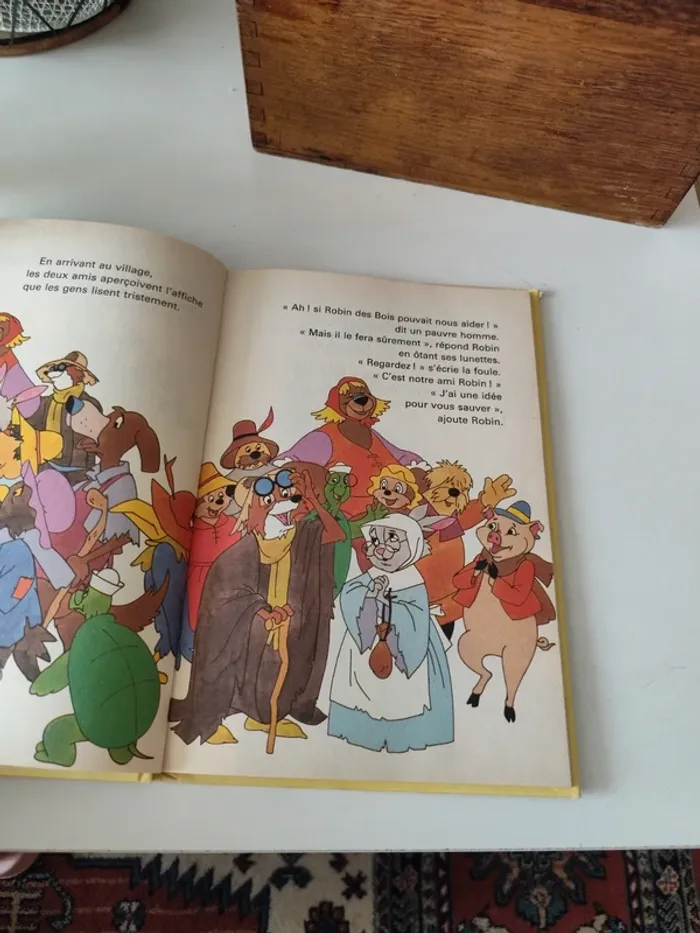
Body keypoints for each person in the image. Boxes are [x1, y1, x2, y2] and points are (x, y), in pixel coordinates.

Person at [328, 514, 454, 752]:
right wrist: (369, 597)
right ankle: (364, 734)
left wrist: (389, 606)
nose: (381, 549)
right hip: (365, 649)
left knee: (405, 696)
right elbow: (351, 596)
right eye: (375, 541)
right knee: (360, 691)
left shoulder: (413, 582)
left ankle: (403, 737)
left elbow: (415, 619)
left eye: (393, 540)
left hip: (405, 650)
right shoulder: (369, 577)